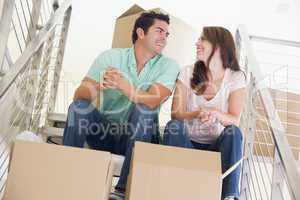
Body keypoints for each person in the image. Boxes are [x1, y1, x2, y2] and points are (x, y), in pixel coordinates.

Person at [62, 11, 180, 199]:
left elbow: (154, 100)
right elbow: (79, 96)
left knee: (144, 109)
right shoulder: (110, 57)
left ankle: (123, 190)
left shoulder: (169, 66)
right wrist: (98, 86)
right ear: (141, 33)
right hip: (106, 133)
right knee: (79, 108)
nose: (164, 38)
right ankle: (66, 176)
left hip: (142, 137)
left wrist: (125, 87)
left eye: (167, 34)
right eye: (159, 31)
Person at [163, 26, 246, 200]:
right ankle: (169, 190)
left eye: (202, 39)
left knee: (233, 132)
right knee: (174, 126)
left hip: (216, 150)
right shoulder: (187, 72)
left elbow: (234, 119)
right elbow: (176, 113)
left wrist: (214, 113)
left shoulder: (236, 77)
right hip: (187, 144)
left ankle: (229, 196)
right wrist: (197, 113)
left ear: (218, 46)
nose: (197, 43)